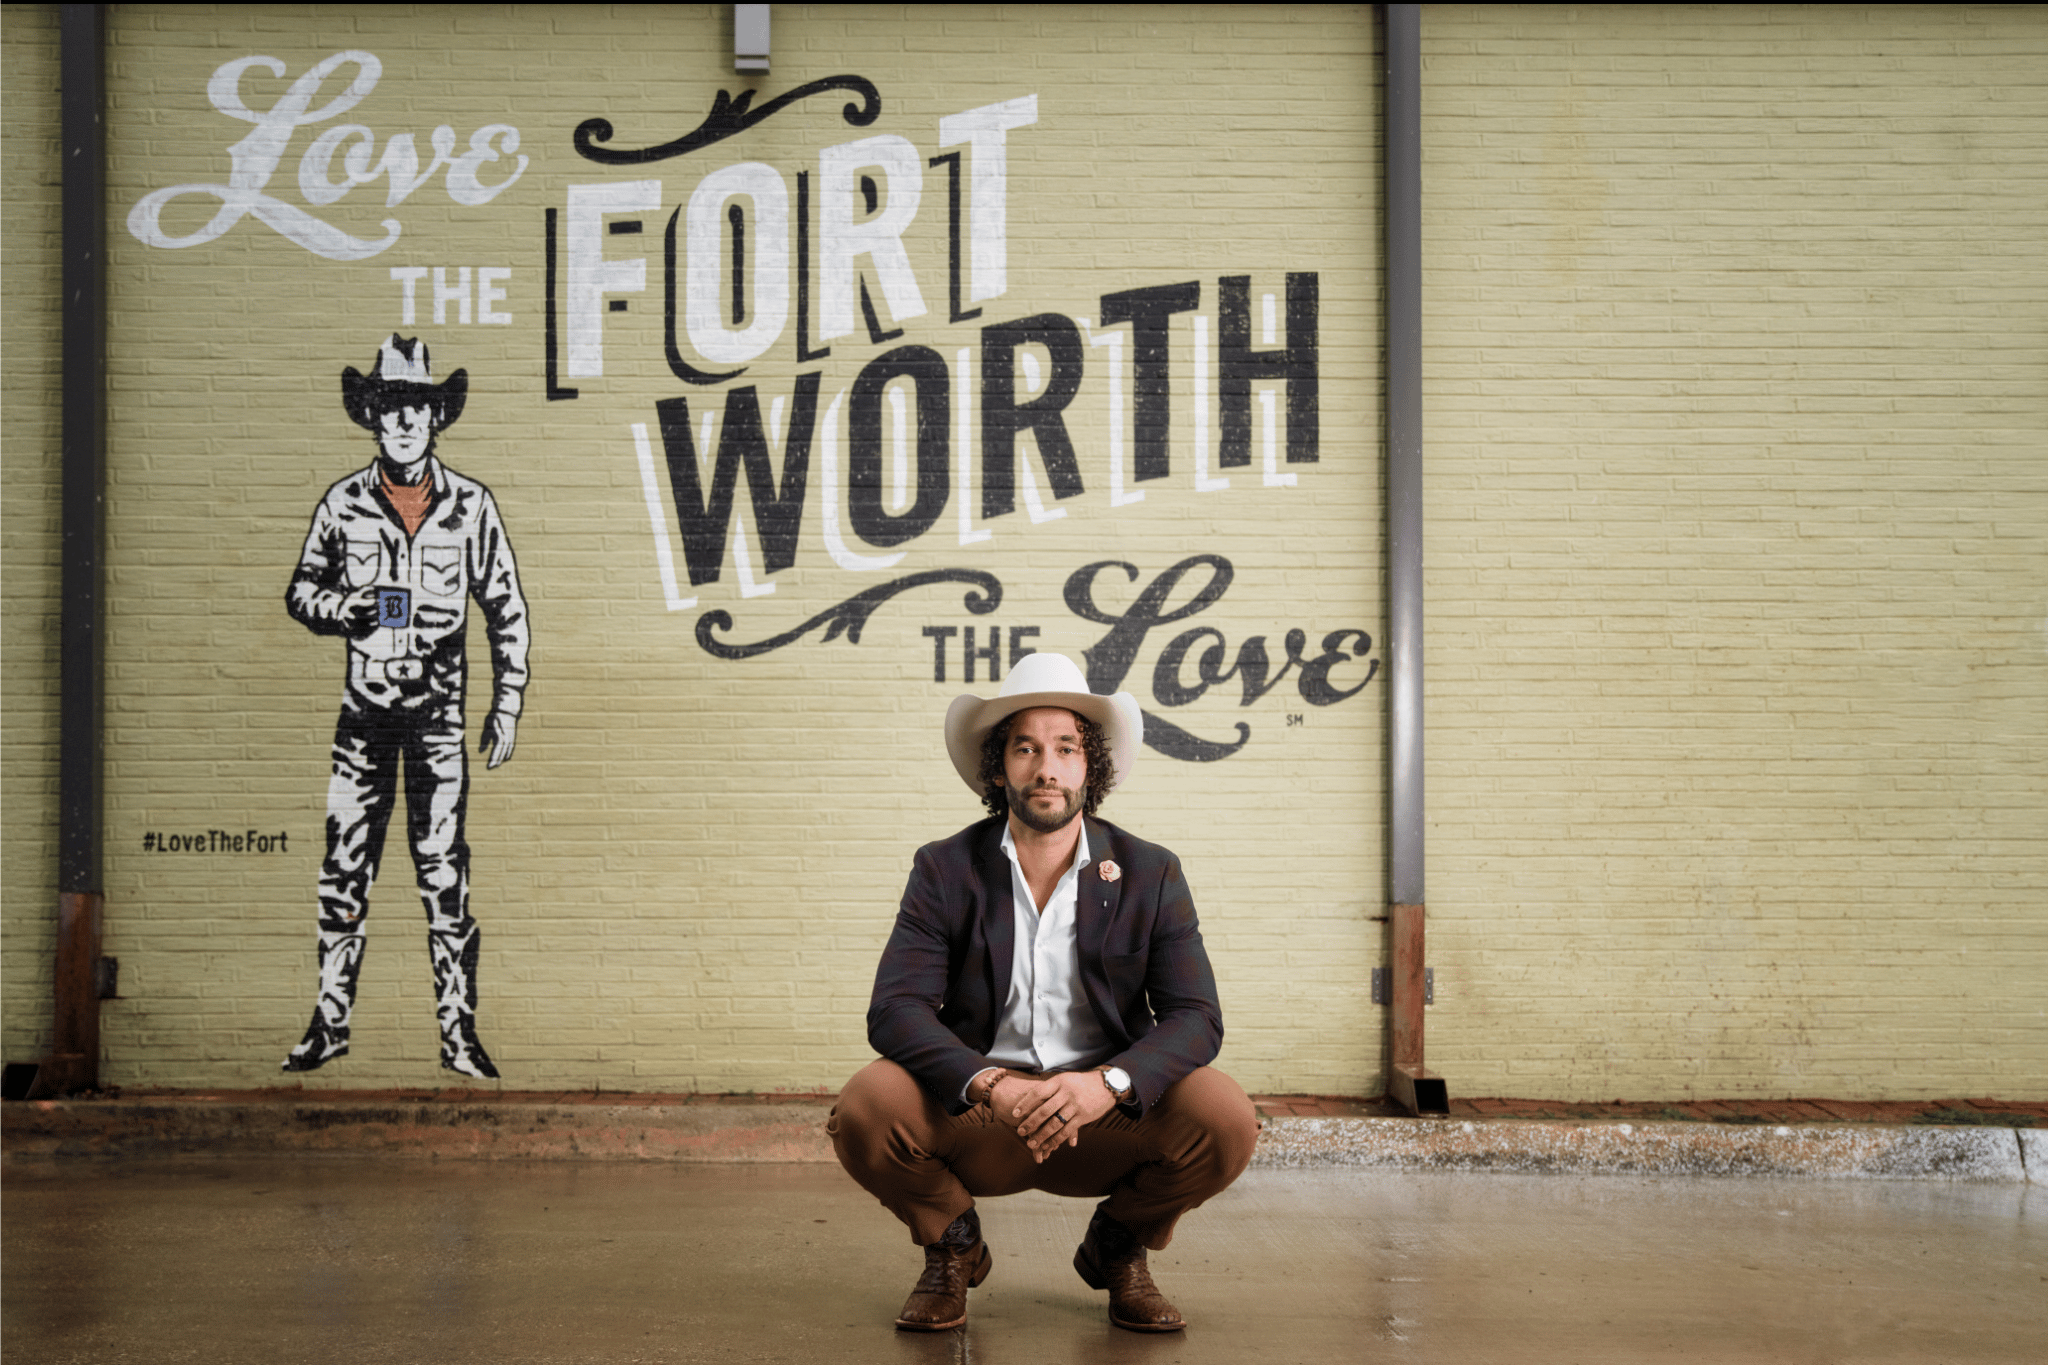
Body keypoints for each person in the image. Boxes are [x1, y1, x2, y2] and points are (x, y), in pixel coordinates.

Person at [830, 652, 1257, 1333]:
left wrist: (1108, 1082)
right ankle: (953, 1246)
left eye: (1065, 748)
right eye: (1025, 748)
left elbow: (1196, 1017)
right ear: (999, 767)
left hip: (1103, 1114)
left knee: (1226, 1114)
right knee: (864, 1105)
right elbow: (895, 1009)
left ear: (1092, 766)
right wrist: (990, 1082)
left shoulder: (1149, 870)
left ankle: (1120, 1248)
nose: (1046, 768)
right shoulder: (945, 867)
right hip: (983, 1112)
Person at [280, 335, 530, 1079]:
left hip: (438, 723)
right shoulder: (343, 503)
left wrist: (507, 702)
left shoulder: (471, 506)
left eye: (416, 408)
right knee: (343, 872)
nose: (403, 423)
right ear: (373, 416)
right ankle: (329, 1025)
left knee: (444, 875)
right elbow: (301, 590)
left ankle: (458, 1035)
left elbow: (506, 607)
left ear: (435, 416)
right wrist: (342, 607)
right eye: (390, 409)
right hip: (364, 721)